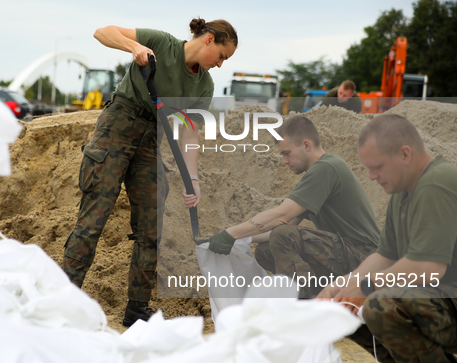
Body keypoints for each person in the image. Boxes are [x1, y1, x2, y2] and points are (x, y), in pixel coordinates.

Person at [62, 19, 238, 327]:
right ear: (209, 40)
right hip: (118, 125)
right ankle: (62, 298)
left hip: (151, 138)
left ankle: (137, 308)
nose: (221, 65)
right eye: (222, 56)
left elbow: (188, 134)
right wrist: (134, 47)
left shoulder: (203, 85)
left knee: (151, 226)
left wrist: (193, 179)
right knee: (94, 217)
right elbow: (102, 32)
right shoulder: (162, 43)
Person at [318, 114, 457, 363]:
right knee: (343, 310)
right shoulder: (403, 193)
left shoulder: (435, 184)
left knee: (381, 305)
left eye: (377, 167)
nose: (371, 176)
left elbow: (429, 267)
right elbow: (385, 256)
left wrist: (365, 287)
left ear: (405, 154)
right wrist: (345, 285)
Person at [209, 115, 380, 298]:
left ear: (306, 145)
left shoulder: (326, 168)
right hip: (348, 255)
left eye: (286, 153)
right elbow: (288, 222)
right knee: (266, 251)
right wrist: (241, 239)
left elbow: (281, 216)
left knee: (282, 236)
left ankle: (300, 305)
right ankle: (317, 296)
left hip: (366, 259)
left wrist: (231, 233)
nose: (284, 161)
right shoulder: (316, 173)